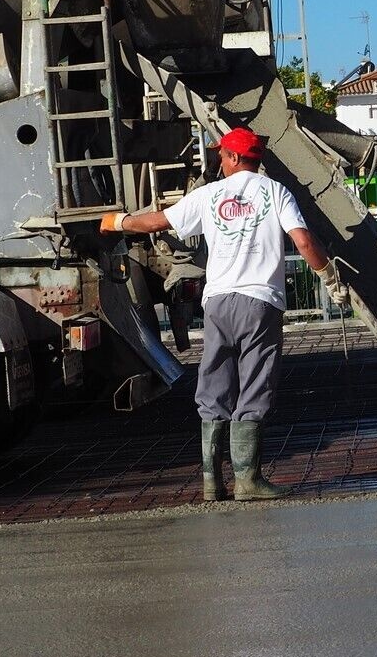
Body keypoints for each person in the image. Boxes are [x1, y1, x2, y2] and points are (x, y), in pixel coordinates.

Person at [100, 127, 348, 502]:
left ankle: (211, 483)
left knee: (214, 385)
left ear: (234, 157)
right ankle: (247, 481)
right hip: (259, 303)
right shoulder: (276, 192)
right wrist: (329, 278)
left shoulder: (209, 195)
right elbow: (303, 240)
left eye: (222, 155)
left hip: (217, 302)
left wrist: (117, 222)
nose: (219, 161)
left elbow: (157, 222)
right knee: (254, 385)